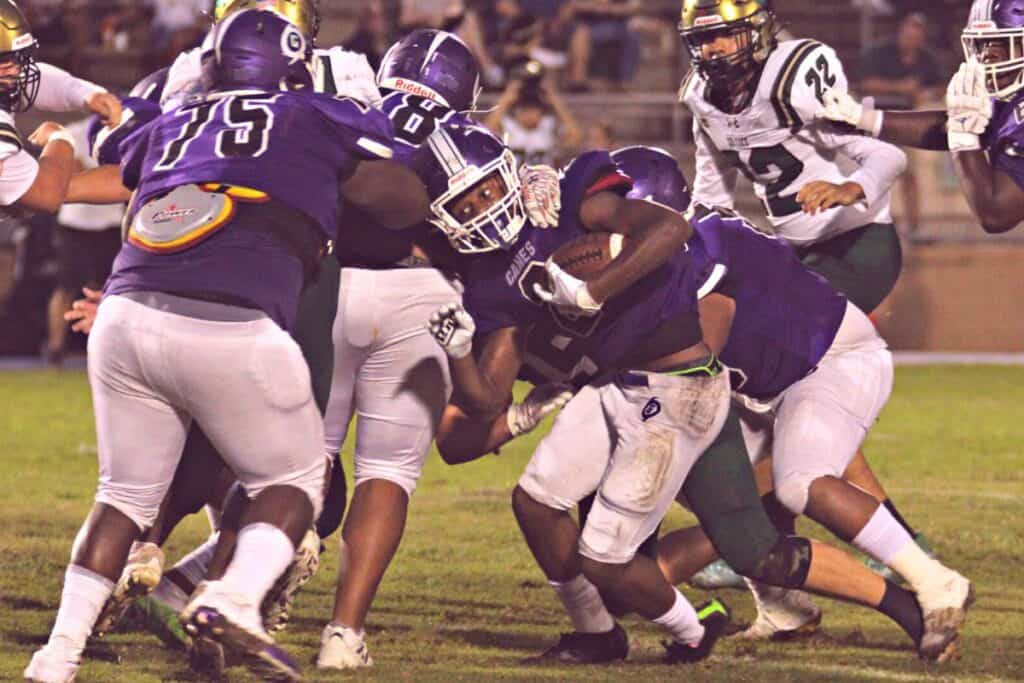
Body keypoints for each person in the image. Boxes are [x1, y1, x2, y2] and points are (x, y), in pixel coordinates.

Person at [24, 10, 431, 683]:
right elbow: (396, 181)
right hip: (232, 316)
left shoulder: (175, 118)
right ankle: (231, 597)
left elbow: (121, 156)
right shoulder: (314, 111)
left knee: (121, 496)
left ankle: (55, 658)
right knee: (299, 479)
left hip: (126, 312)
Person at [608, 146, 971, 662]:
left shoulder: (703, 250)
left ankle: (935, 582)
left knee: (801, 483)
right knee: (711, 487)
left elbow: (700, 357)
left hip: (830, 361)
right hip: (772, 382)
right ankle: (782, 606)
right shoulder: (690, 241)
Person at [677, 0, 936, 605]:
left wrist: (850, 186)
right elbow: (711, 196)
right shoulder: (701, 95)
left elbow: (888, 155)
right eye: (704, 40)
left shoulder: (795, 76)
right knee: (777, 398)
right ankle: (809, 543)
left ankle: (755, 537)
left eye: (725, 37)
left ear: (758, 32)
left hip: (858, 245)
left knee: (782, 380)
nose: (714, 51)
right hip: (800, 260)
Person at [819, 0, 1024, 234]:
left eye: (1001, 44)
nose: (987, 56)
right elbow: (955, 125)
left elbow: (996, 215)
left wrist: (963, 135)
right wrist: (862, 119)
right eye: (982, 44)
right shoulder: (1013, 94)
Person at [44, 119, 124, 367]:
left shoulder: (126, 130)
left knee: (112, 290)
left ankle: (108, 350)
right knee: (66, 286)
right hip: (76, 223)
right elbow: (74, 175)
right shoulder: (73, 132)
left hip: (111, 222)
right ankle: (55, 348)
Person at [860, 12, 946, 235]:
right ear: (901, 32)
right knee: (875, 176)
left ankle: (914, 227)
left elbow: (941, 86)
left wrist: (923, 92)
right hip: (878, 120)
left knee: (910, 174)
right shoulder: (878, 53)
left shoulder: (928, 58)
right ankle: (870, 226)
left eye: (917, 35)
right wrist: (902, 87)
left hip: (907, 123)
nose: (912, 39)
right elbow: (866, 84)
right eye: (909, 34)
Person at [484, 63, 583, 166]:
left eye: (534, 110)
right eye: (525, 109)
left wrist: (554, 99)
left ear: (542, 112)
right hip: (514, 181)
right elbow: (486, 133)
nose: (529, 114)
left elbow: (576, 136)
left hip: (544, 181)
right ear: (517, 111)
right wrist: (507, 97)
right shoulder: (509, 128)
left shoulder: (547, 127)